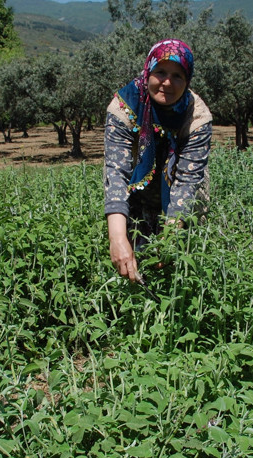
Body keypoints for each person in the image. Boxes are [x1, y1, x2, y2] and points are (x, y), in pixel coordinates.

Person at [104, 39, 212, 283]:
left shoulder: (196, 116)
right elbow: (116, 174)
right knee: (130, 258)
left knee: (177, 266)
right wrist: (117, 239)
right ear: (148, 71)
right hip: (135, 190)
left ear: (188, 81)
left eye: (177, 76)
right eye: (160, 72)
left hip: (180, 195)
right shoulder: (125, 106)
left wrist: (170, 240)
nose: (167, 82)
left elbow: (186, 182)